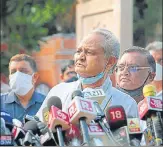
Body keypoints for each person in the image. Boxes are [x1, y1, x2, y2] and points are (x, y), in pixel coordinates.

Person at [37, 28, 139, 122]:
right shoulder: (58, 92)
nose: (80, 57)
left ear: (110, 61)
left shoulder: (126, 104)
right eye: (78, 51)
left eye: (89, 52)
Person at [0, 54, 45, 122]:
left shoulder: (46, 103)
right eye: (13, 72)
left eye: (23, 71)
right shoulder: (1, 102)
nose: (17, 75)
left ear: (35, 77)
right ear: (9, 76)